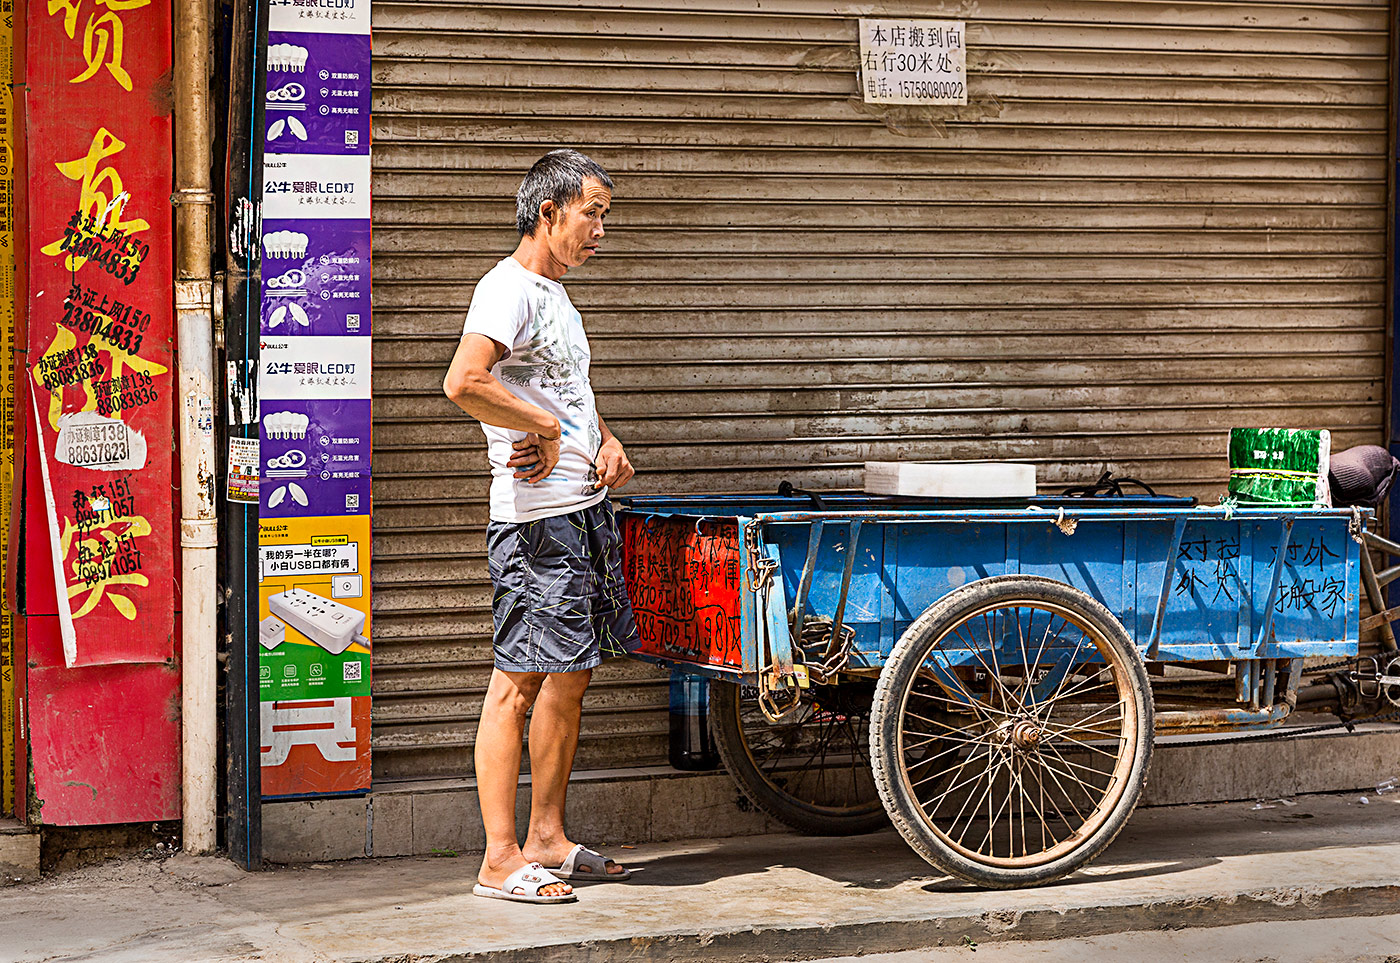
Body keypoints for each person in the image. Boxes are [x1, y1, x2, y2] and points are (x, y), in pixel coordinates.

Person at [443, 149, 641, 905]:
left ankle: (548, 838)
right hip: (535, 525)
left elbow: (563, 389)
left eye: (605, 215)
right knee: (517, 681)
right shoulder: (507, 288)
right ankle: (499, 858)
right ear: (548, 211)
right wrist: (544, 427)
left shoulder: (555, 295)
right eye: (592, 212)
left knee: (571, 675)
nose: (600, 229)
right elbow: (465, 379)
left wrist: (605, 441)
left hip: (582, 509)